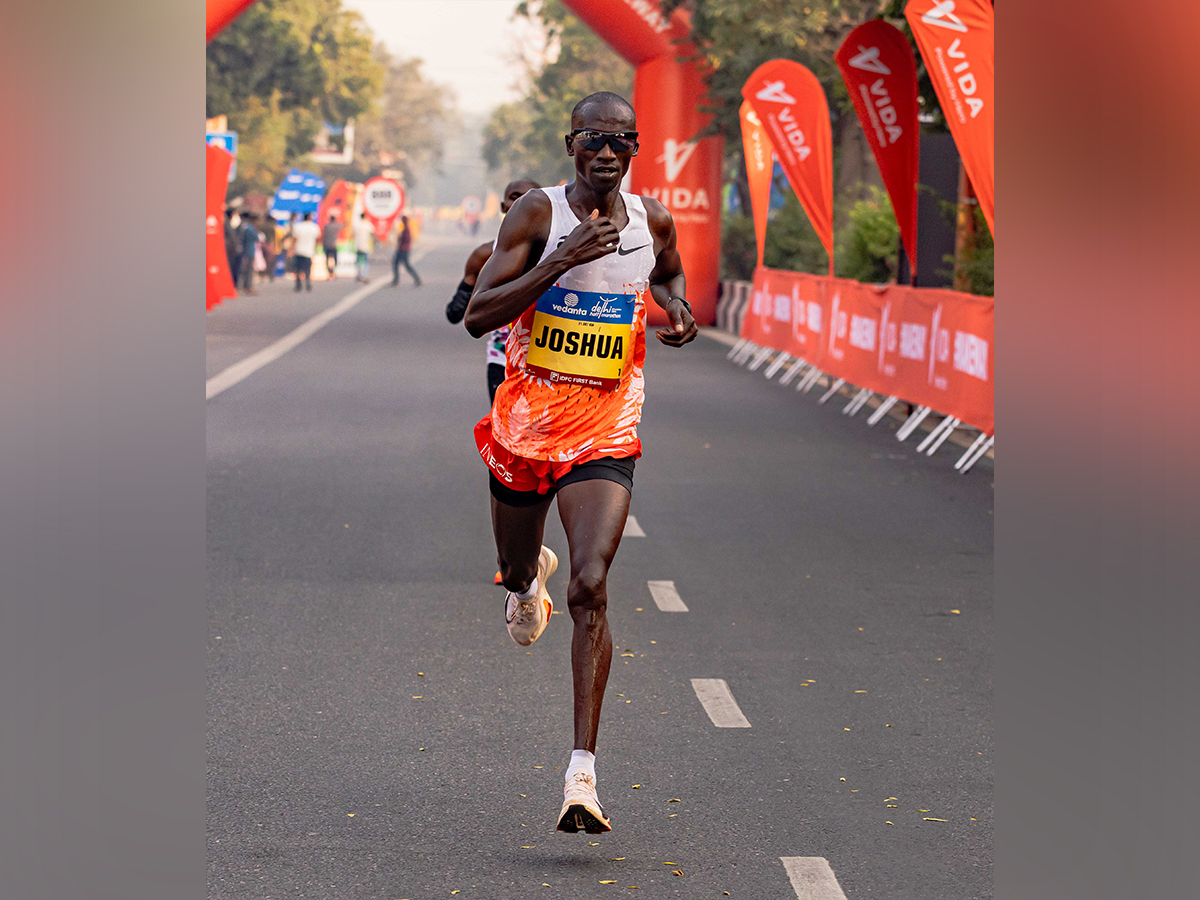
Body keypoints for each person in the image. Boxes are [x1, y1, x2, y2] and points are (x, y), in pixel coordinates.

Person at [463, 91, 698, 835]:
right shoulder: (537, 215)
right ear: (572, 145)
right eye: (594, 138)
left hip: (607, 422)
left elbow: (666, 273)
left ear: (635, 149)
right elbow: (479, 315)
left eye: (621, 140)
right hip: (528, 422)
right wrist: (559, 262)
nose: (607, 151)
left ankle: (581, 776)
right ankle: (525, 580)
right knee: (519, 563)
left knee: (592, 583)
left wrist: (678, 308)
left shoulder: (652, 220)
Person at [447, 179, 542, 403]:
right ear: (503, 207)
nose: (522, 202)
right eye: (515, 196)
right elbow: (454, 314)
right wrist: (463, 300)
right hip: (502, 360)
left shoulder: (562, 251)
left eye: (530, 197)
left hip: (546, 362)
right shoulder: (483, 255)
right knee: (505, 433)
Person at [290, 212, 320, 292]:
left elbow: (294, 239)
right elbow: (318, 238)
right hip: (309, 251)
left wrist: (291, 249)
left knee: (298, 269)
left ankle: (298, 284)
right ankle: (307, 282)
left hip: (299, 250)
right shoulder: (314, 227)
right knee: (307, 268)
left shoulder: (298, 226)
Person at [390, 215, 422, 287]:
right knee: (399, 265)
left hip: (403, 250)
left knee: (404, 265)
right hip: (403, 249)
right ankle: (396, 280)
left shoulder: (406, 230)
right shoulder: (405, 229)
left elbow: (405, 240)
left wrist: (399, 239)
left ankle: (397, 281)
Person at [238, 212, 259, 294]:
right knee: (249, 270)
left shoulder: (243, 226)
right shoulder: (250, 228)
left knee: (245, 270)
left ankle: (245, 286)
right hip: (249, 251)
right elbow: (256, 238)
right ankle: (248, 287)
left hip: (245, 250)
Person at [353, 211, 374, 283]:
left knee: (359, 261)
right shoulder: (367, 225)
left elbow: (353, 234)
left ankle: (359, 274)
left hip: (358, 245)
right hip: (365, 245)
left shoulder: (358, 225)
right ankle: (364, 275)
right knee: (365, 261)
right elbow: (372, 233)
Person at [322, 213, 341, 281]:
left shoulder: (327, 226)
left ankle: (330, 272)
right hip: (333, 245)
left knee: (327, 259)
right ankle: (333, 272)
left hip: (327, 244)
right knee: (334, 259)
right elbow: (343, 226)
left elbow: (324, 235)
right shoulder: (336, 226)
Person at [261, 215, 279, 282]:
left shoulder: (262, 226)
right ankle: (270, 275)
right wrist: (274, 247)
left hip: (262, 244)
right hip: (269, 245)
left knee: (264, 260)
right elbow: (273, 238)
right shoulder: (272, 227)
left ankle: (262, 275)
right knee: (271, 261)